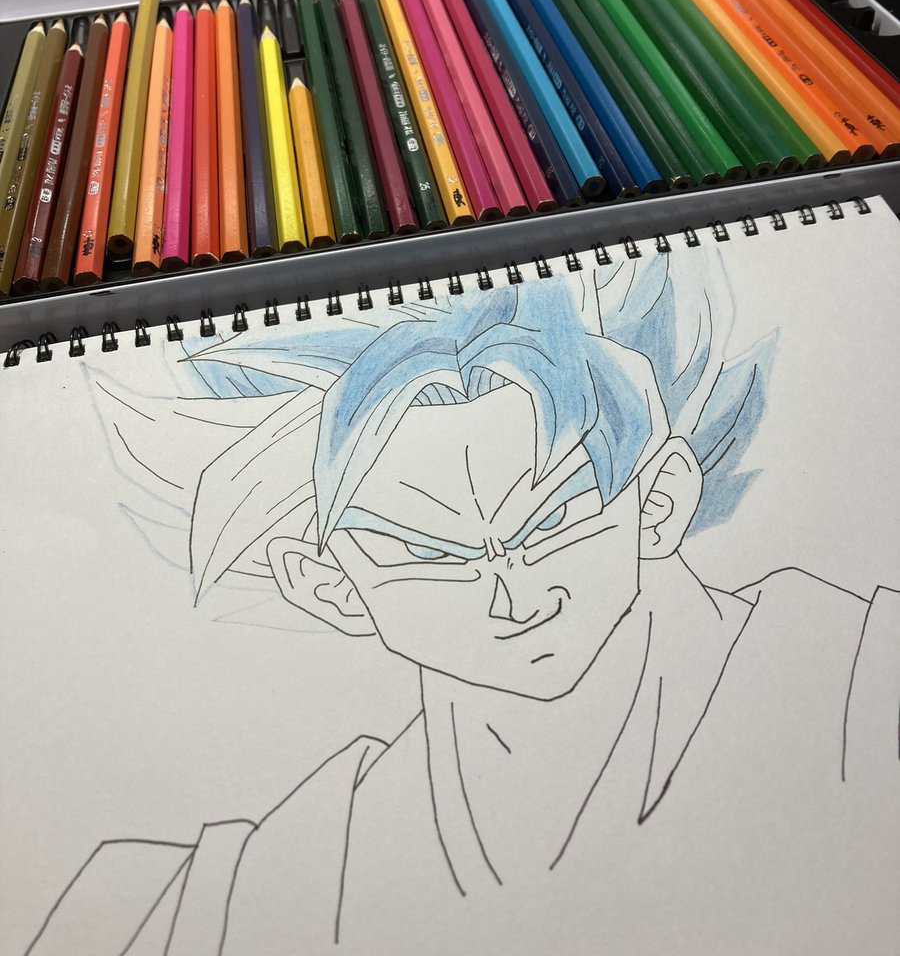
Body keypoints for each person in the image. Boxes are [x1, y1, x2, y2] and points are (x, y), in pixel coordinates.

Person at [28, 251, 899, 956]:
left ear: (658, 500)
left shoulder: (861, 672)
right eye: (425, 554)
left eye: (553, 519)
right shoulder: (254, 886)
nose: (514, 596)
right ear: (330, 585)